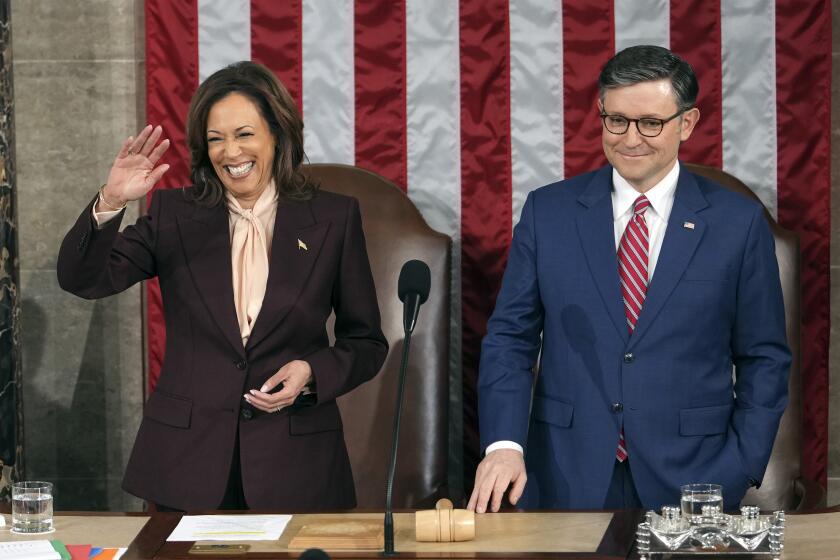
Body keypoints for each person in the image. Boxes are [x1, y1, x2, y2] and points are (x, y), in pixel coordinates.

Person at [467, 45, 790, 512]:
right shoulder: (548, 212)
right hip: (561, 473)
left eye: (650, 123)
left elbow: (764, 358)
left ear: (688, 123)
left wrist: (738, 467)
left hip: (695, 479)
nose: (630, 138)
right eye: (616, 120)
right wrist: (503, 446)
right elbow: (509, 338)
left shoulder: (737, 224)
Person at [57, 61, 388, 511]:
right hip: (186, 468)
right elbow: (84, 280)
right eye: (216, 139)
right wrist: (111, 200)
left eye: (244, 134)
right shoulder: (175, 216)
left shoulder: (333, 218)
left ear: (277, 133)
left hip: (296, 466)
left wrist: (312, 374)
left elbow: (365, 342)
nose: (230, 152)